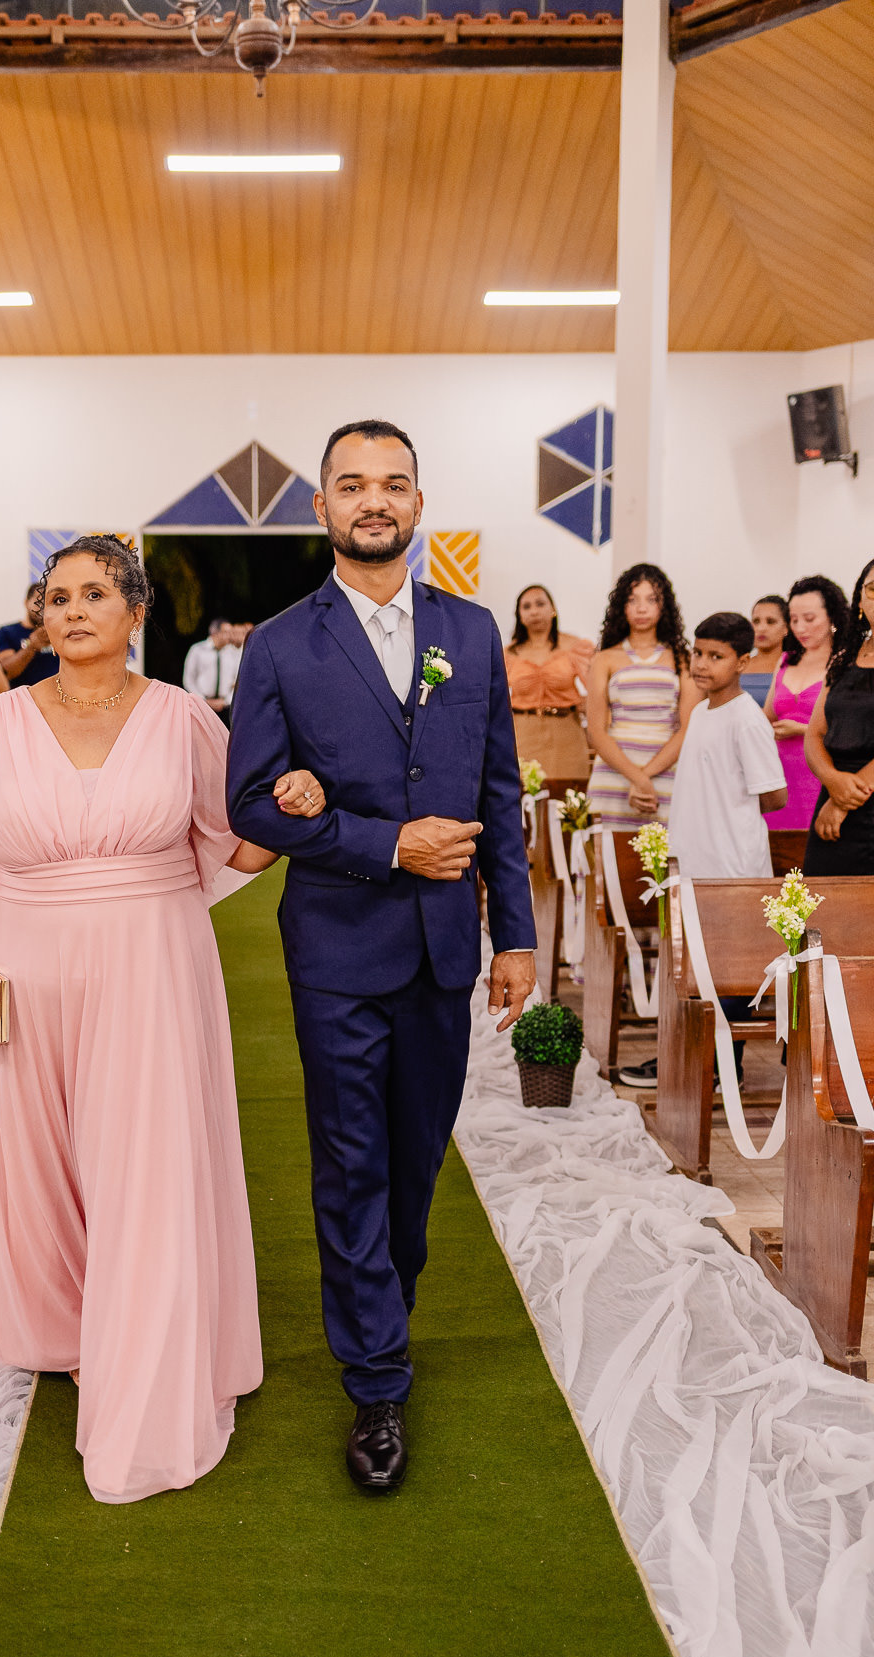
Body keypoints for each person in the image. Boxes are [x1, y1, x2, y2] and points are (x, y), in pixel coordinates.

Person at [0, 534, 321, 1506]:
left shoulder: (183, 718)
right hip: (23, 965)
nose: (72, 610)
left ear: (136, 613)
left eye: (95, 593)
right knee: (43, 1164)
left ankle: (146, 1378)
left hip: (150, 966)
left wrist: (292, 805)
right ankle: (69, 1329)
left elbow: (245, 836)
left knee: (144, 1168)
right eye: (57, 595)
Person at [227, 419, 537, 1495]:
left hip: (447, 947)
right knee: (352, 1158)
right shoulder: (279, 645)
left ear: (418, 503)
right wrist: (377, 840)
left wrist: (520, 936)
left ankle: (380, 1311)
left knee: (415, 1161)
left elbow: (497, 792)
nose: (374, 499)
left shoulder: (474, 630)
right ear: (320, 507)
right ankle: (375, 1381)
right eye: (351, 484)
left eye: (393, 483)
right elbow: (250, 800)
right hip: (338, 947)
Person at [619, 614, 787, 1091]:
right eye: (698, 653)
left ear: (743, 662)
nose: (702, 664)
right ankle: (688, 1062)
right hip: (694, 863)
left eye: (717, 657)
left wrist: (729, 810)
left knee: (726, 974)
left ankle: (717, 1070)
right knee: (693, 973)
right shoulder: (701, 713)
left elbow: (774, 794)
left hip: (732, 867)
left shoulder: (746, 718)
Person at [585, 563, 697, 827]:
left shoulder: (682, 658)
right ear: (621, 606)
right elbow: (596, 731)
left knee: (666, 861)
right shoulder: (604, 658)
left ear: (664, 605)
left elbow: (688, 728)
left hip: (666, 772)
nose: (642, 608)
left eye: (651, 599)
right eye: (633, 600)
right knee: (611, 863)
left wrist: (645, 776)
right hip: (614, 774)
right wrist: (636, 777)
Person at [803, 557, 874, 876]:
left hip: (856, 796)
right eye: (872, 589)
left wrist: (843, 802)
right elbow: (815, 734)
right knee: (822, 910)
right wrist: (832, 782)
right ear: (860, 598)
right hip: (832, 792)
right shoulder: (845, 657)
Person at [762, 575, 848, 830]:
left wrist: (802, 729)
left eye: (809, 619)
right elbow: (768, 715)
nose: (800, 628)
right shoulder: (787, 659)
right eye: (794, 619)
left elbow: (851, 729)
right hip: (779, 776)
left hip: (821, 776)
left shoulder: (844, 663)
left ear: (832, 616)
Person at [504, 583, 593, 779]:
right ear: (519, 615)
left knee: (568, 800)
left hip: (567, 734)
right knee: (523, 798)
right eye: (526, 607)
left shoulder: (574, 646)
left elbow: (599, 688)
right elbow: (493, 697)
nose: (534, 611)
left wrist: (589, 702)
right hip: (522, 736)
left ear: (552, 609)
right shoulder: (507, 654)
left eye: (540, 604)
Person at [0, 584, 59, 688]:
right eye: (38, 601)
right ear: (26, 602)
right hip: (23, 698)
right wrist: (31, 646)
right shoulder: (7, 631)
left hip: (59, 697)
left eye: (48, 602)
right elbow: (6, 672)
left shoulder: (59, 631)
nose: (42, 607)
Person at [183, 619, 241, 724]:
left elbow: (238, 680)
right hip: (201, 707)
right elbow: (189, 679)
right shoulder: (197, 650)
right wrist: (203, 700)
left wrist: (226, 700)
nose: (230, 636)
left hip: (226, 708)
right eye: (227, 632)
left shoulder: (234, 653)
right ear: (215, 633)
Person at [740, 595, 789, 706]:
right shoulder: (738, 665)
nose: (761, 628)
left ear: (786, 628)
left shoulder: (794, 666)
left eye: (770, 621)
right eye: (756, 621)